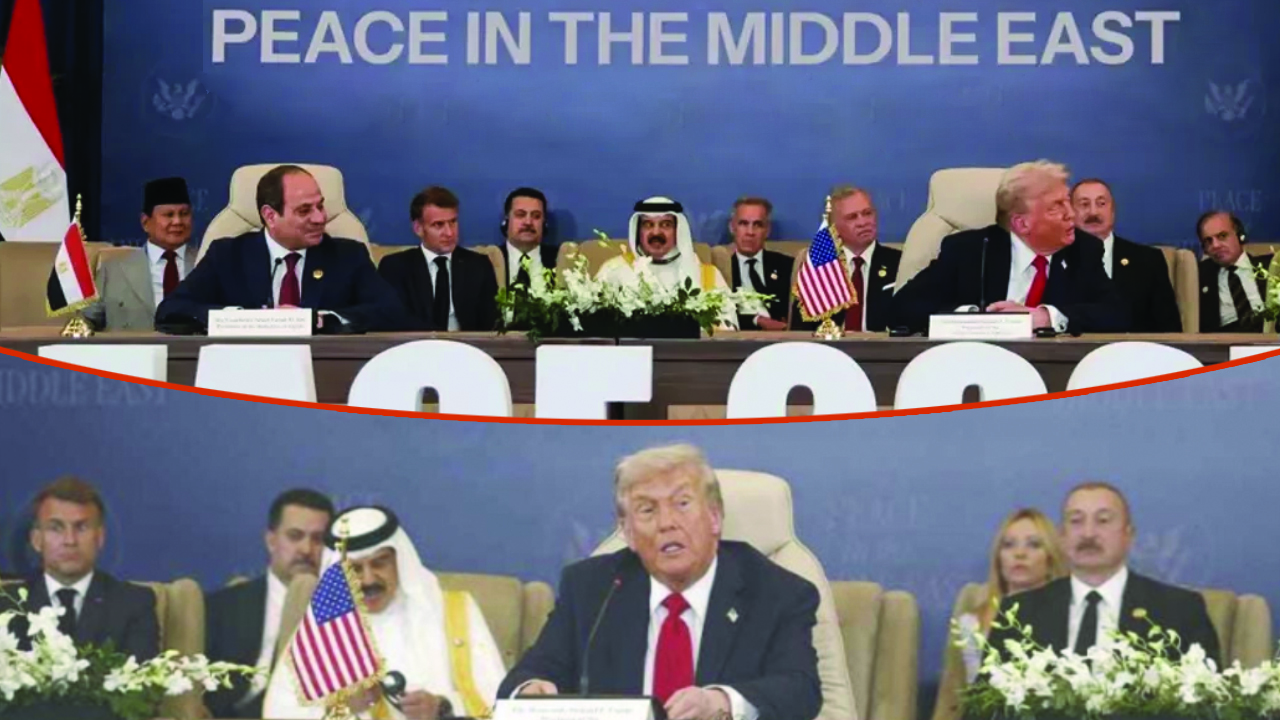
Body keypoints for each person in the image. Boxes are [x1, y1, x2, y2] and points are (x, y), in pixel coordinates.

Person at [499, 444, 822, 720]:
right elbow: (527, 675)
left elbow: (801, 689)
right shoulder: (592, 589)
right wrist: (531, 691)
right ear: (628, 532)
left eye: (682, 504)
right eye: (647, 510)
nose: (667, 523)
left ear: (714, 517)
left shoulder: (777, 593)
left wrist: (719, 701)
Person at [262, 506, 506, 720]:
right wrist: (342, 706)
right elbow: (279, 712)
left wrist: (443, 707)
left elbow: (501, 702)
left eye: (379, 563)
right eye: (355, 569)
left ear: (399, 561)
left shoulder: (456, 612)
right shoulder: (323, 630)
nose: (368, 580)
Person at [986, 482, 1220, 665]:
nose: (1088, 533)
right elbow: (986, 703)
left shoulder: (1180, 610)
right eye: (1076, 521)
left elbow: (1207, 700)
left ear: (1129, 535)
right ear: (1062, 536)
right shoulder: (1019, 613)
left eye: (1103, 520)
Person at [155, 165, 406, 333]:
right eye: (304, 210)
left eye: (320, 206)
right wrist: (245, 320)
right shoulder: (228, 255)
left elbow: (392, 312)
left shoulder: (347, 256)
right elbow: (171, 310)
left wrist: (323, 319)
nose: (320, 218)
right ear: (270, 216)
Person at [892, 161, 1129, 334]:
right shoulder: (969, 251)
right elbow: (901, 308)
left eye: (1067, 201)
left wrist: (1045, 317)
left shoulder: (1083, 250)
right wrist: (975, 320)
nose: (1071, 214)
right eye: (1056, 206)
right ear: (1022, 223)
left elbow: (1117, 314)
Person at [204, 489, 335, 719]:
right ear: (271, 540)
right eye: (295, 536)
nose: (306, 549)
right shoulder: (223, 606)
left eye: (318, 539)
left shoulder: (345, 614)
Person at [931, 509, 1067, 720]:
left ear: (1051, 559)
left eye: (1033, 545)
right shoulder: (971, 623)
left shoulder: (1072, 619)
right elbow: (952, 699)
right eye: (1009, 545)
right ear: (998, 559)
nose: (1019, 553)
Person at [7, 476, 158, 660]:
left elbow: (141, 674)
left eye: (81, 528)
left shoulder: (133, 604)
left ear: (100, 537)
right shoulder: (7, 604)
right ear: (37, 540)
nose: (70, 540)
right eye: (56, 528)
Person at [596, 197, 738, 329]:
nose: (656, 232)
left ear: (677, 230)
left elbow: (729, 330)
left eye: (665, 225)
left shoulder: (707, 276)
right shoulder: (614, 271)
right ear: (638, 231)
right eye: (648, 225)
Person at [84, 177, 199, 331]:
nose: (178, 221)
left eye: (184, 214)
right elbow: (88, 321)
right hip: (132, 346)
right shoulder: (113, 269)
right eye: (169, 215)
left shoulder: (206, 263)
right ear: (145, 222)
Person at [377, 186, 499, 331]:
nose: (449, 233)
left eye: (453, 222)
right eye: (438, 225)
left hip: (465, 344)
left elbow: (490, 325)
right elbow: (395, 320)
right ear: (418, 228)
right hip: (416, 344)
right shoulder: (395, 267)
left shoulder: (478, 266)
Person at [1070, 179, 1181, 332]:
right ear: (1070, 213)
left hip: (1135, 346)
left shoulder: (1148, 260)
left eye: (1101, 204)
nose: (1093, 212)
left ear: (1113, 211)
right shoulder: (1057, 259)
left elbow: (1169, 329)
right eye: (1084, 204)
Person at [792, 187, 901, 332]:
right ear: (834, 227)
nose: (863, 222)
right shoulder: (820, 265)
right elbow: (800, 329)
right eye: (852, 217)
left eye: (867, 213)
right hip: (829, 344)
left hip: (883, 345)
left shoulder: (899, 262)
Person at [1196, 210, 1273, 333]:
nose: (1215, 245)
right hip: (1227, 339)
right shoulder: (1199, 275)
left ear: (1240, 235)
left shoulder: (1272, 265)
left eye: (1222, 236)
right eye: (1208, 241)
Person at [725, 197, 791, 330]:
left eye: (758, 225)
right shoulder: (721, 268)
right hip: (737, 337)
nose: (750, 232)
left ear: (767, 230)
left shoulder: (787, 266)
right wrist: (756, 320)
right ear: (732, 227)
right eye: (743, 223)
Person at [499, 187, 559, 288]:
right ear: (506, 220)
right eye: (520, 215)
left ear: (544, 223)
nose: (528, 222)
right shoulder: (488, 262)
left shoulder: (561, 260)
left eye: (536, 216)